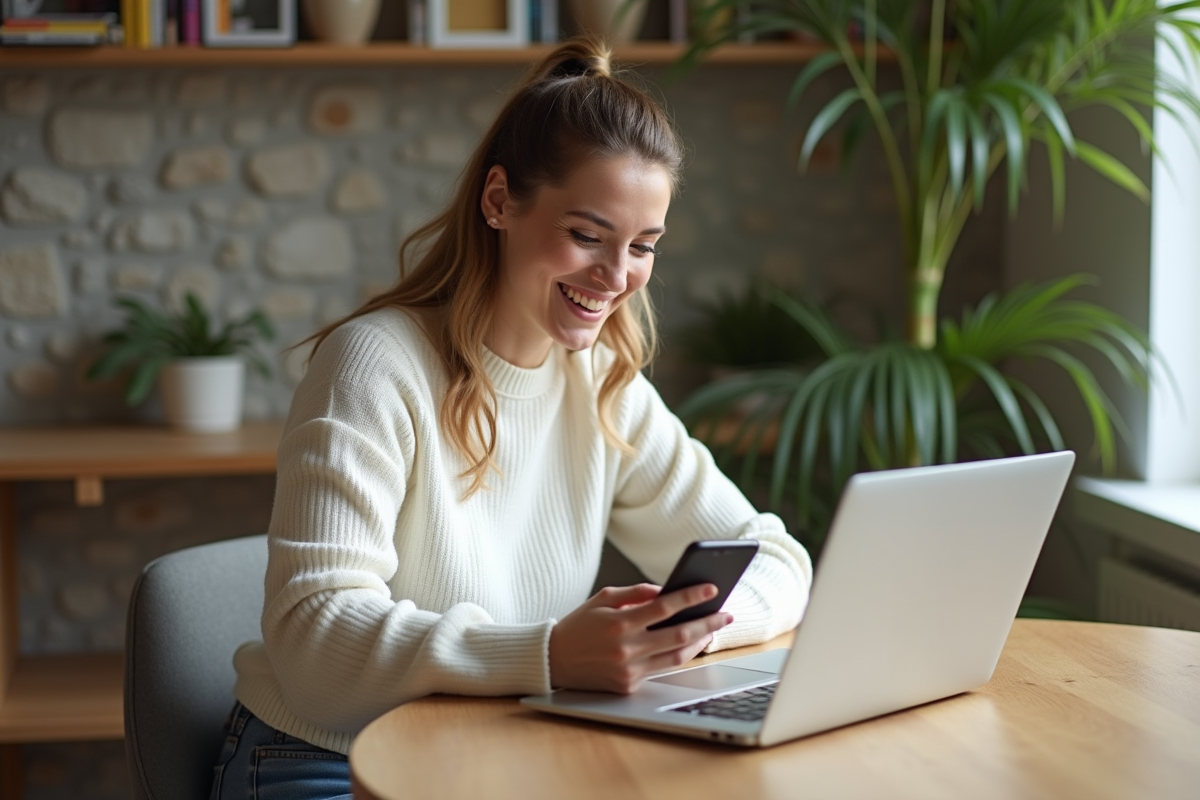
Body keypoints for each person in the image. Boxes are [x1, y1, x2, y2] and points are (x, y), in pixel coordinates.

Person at [210, 37, 813, 800]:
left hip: (497, 750)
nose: (616, 276)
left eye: (643, 246)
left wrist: (677, 642)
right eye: (587, 236)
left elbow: (777, 560)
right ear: (499, 201)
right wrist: (551, 655)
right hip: (322, 759)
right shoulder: (375, 367)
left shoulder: (603, 386)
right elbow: (314, 642)